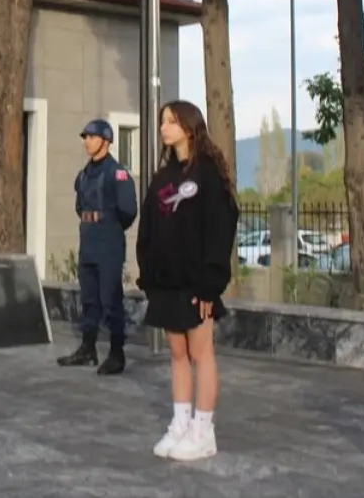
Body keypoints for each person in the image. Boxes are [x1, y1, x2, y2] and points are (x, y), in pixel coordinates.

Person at [137, 101, 238, 462]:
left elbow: (220, 228)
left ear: (190, 128)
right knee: (177, 354)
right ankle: (180, 423)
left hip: (197, 284)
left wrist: (211, 283)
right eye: (162, 120)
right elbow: (148, 227)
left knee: (200, 353)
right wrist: (147, 272)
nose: (163, 127)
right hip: (166, 283)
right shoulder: (162, 178)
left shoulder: (208, 174)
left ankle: (202, 430)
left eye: (170, 121)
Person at [57, 119, 138, 375]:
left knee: (110, 298)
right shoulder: (84, 175)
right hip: (88, 240)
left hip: (108, 241)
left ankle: (117, 353)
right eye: (85, 137)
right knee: (89, 298)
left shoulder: (118, 173)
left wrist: (110, 228)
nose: (86, 142)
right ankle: (88, 348)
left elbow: (128, 211)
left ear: (106, 140)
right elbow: (80, 206)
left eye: (91, 137)